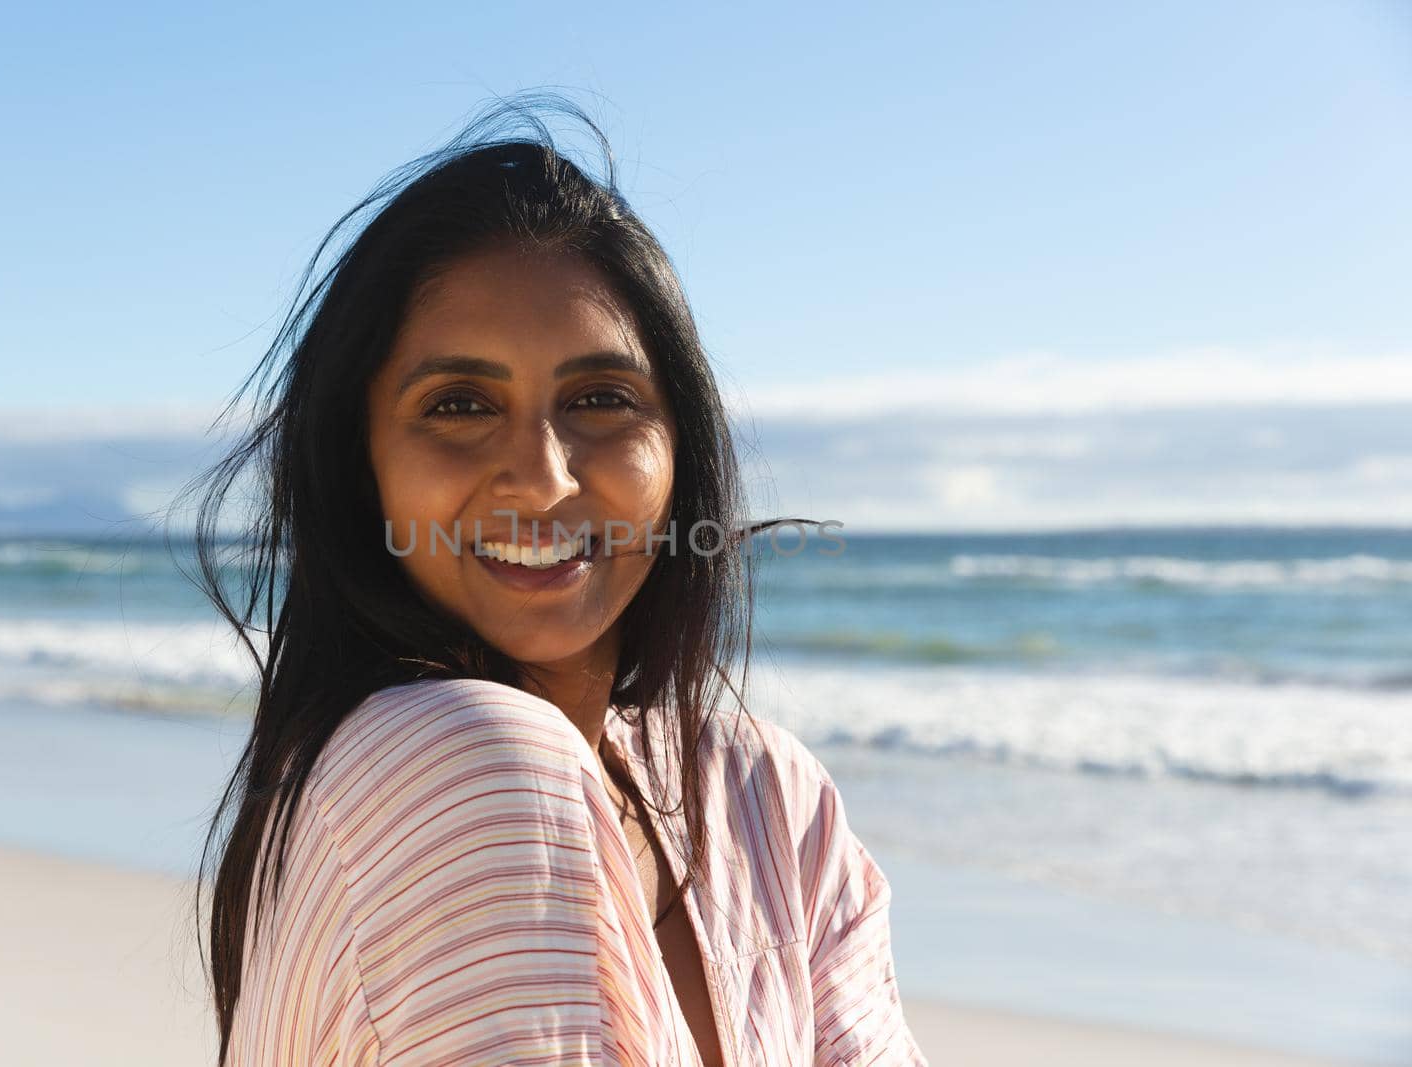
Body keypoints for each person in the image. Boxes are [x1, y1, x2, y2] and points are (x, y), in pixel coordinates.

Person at [180, 92, 928, 1066]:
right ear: (357, 461)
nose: (542, 474)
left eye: (600, 398)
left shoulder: (766, 799)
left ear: (680, 446)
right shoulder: (453, 763)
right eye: (457, 403)